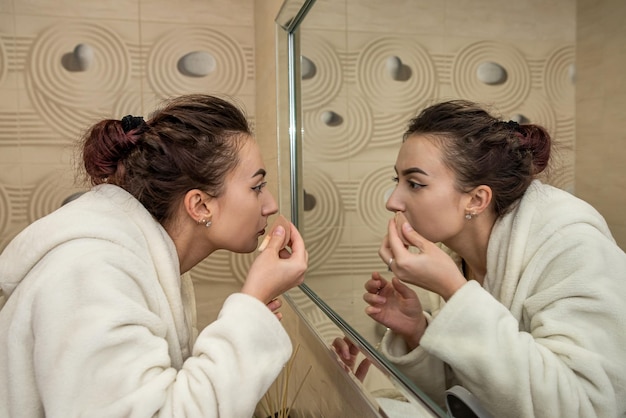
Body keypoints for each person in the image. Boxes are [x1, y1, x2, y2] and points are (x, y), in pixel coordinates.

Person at [0, 94, 308, 417]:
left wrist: (250, 317)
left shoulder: (142, 259)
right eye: (257, 187)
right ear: (200, 205)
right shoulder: (92, 273)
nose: (271, 205)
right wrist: (252, 299)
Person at [335, 100, 626, 417]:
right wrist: (416, 331)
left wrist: (455, 291)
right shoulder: (461, 254)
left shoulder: (572, 246)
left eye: (415, 184)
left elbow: (588, 408)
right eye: (397, 181)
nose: (393, 202)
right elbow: (472, 394)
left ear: (476, 199)